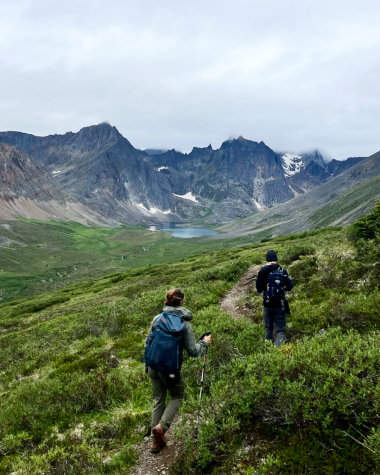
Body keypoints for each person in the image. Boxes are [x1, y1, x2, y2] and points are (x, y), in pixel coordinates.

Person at [145, 288, 211, 454]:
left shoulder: (157, 319)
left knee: (158, 400)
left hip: (153, 366)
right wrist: (204, 343)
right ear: (181, 302)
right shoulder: (184, 324)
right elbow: (193, 351)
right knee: (178, 395)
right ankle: (162, 427)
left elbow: (147, 343)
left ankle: (155, 443)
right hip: (170, 369)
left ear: (167, 301)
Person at [256, 250, 294, 347]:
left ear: (267, 259)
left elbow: (259, 289)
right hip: (280, 304)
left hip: (267, 304)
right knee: (280, 330)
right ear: (276, 259)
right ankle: (278, 352)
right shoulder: (282, 270)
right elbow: (290, 286)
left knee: (268, 329)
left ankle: (269, 351)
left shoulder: (262, 271)